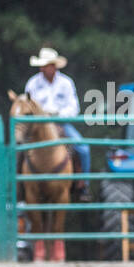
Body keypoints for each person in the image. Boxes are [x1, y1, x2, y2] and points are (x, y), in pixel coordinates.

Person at [22, 46, 91, 201]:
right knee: (20, 149)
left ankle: (83, 185)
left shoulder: (66, 83)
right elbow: (27, 107)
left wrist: (58, 116)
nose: (43, 68)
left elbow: (74, 107)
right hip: (39, 126)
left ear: (53, 66)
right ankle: (17, 188)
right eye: (42, 65)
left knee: (83, 148)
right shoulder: (32, 84)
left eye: (46, 65)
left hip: (62, 123)